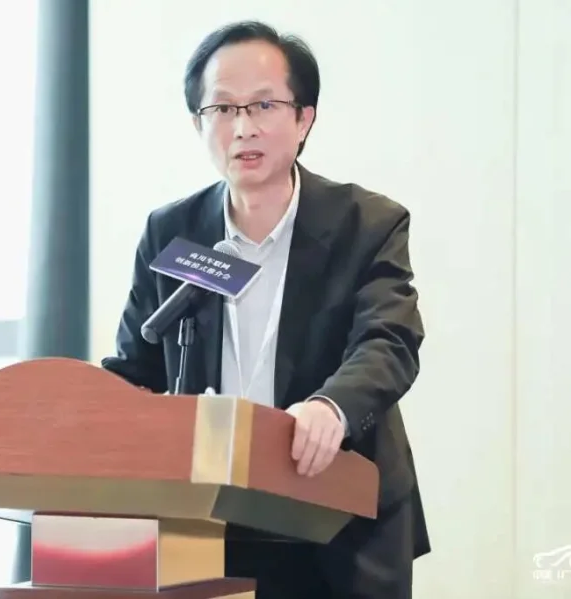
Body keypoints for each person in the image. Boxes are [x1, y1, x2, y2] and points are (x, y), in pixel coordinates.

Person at [101, 20, 430, 599]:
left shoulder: (366, 224)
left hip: (338, 521)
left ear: (304, 119)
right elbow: (136, 368)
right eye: (222, 109)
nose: (243, 127)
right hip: (208, 523)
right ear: (198, 123)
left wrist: (332, 406)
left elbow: (389, 340)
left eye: (263, 105)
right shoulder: (173, 232)